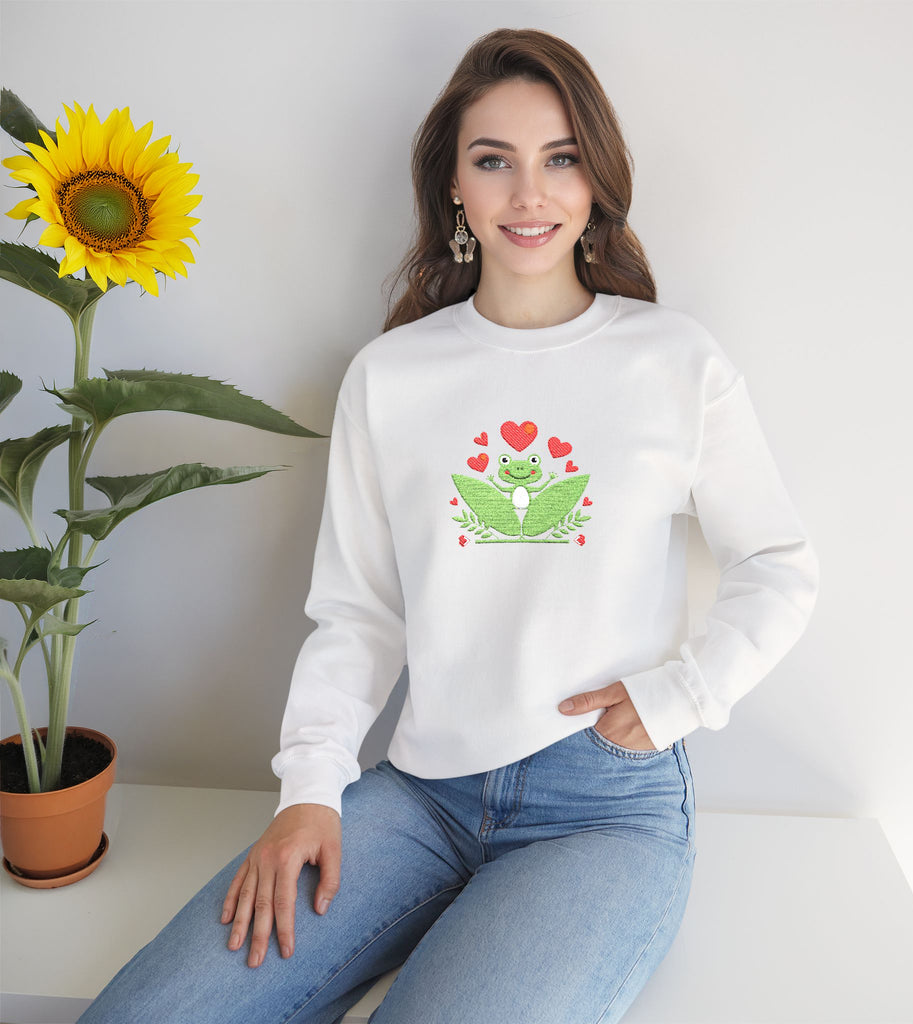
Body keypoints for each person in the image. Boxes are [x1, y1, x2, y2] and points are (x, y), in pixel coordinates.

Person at [79, 27, 818, 1024]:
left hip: (602, 808)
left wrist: (684, 690)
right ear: (453, 189)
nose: (529, 193)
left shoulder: (673, 362)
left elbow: (777, 563)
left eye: (560, 158)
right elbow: (358, 613)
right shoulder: (392, 376)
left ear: (595, 180)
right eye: (493, 160)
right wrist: (310, 787)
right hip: (421, 793)